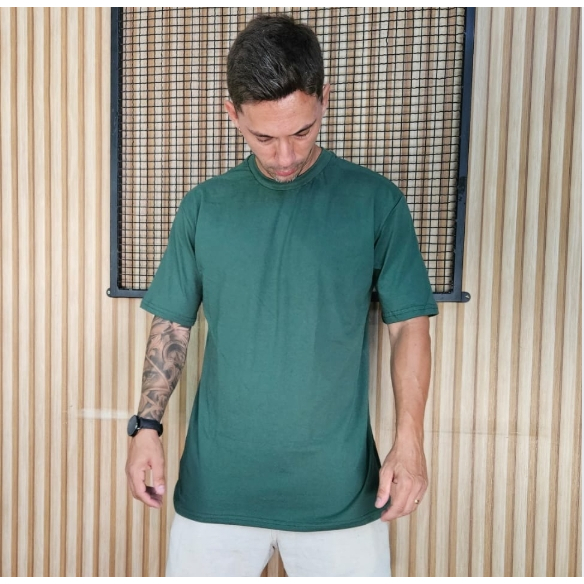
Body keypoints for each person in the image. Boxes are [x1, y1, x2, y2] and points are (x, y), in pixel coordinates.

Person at [125, 13, 438, 577]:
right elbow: (172, 325)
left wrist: (410, 441)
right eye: (264, 137)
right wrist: (146, 428)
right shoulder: (203, 206)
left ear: (324, 100)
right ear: (233, 115)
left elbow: (409, 325)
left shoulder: (377, 202)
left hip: (341, 495)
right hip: (217, 491)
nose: (286, 156)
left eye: (302, 131)